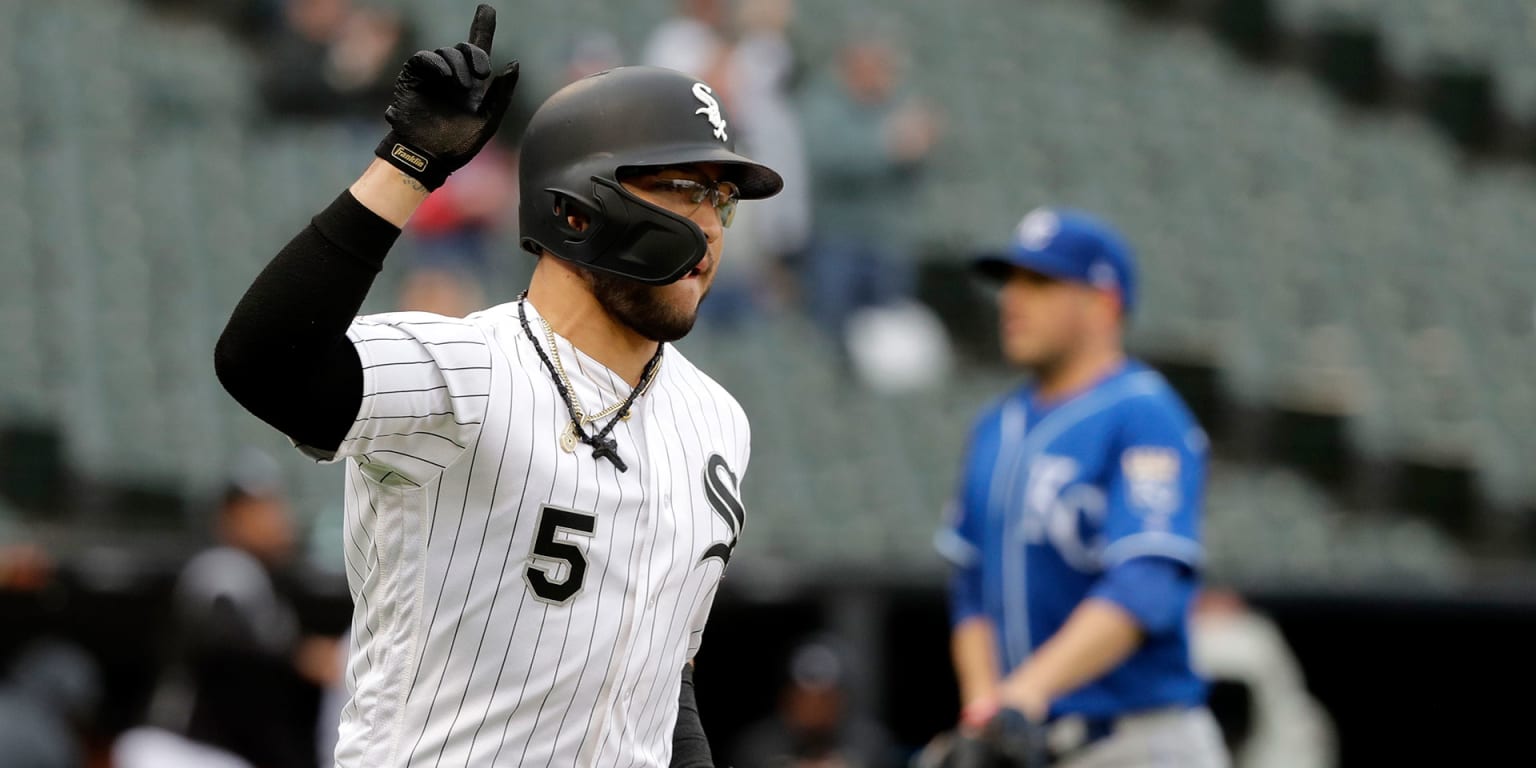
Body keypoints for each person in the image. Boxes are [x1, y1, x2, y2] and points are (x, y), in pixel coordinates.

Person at [213, 6, 783, 766]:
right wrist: (409, 163)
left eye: (722, 199)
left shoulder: (718, 420)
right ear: (575, 209)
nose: (710, 225)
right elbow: (261, 362)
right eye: (683, 188)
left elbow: (661, 682)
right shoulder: (468, 368)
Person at [934, 208, 1228, 766]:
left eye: (1040, 282)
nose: (1012, 299)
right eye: (1010, 281)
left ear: (1103, 303)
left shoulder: (1143, 413)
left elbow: (1146, 583)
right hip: (1032, 742)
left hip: (1137, 738)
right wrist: (984, 710)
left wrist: (1025, 692)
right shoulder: (995, 426)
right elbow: (969, 587)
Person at [732, 637, 898, 768]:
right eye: (805, 698)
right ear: (788, 699)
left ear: (841, 701)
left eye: (823, 699)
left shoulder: (870, 745)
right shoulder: (760, 747)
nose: (813, 709)